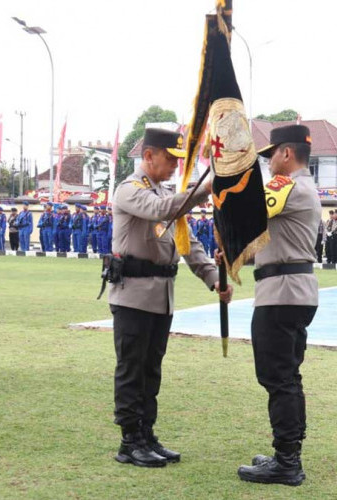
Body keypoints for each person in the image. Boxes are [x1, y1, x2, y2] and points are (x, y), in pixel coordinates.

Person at [108, 128, 230, 468]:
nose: (177, 165)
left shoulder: (165, 193)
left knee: (151, 370)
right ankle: (129, 440)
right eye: (171, 158)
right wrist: (203, 190)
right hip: (133, 295)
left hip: (161, 297)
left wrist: (211, 278)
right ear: (149, 156)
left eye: (180, 159)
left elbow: (187, 242)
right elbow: (163, 210)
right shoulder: (130, 191)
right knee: (132, 370)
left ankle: (147, 434)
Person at [236, 124, 320, 486]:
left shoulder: (287, 185)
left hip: (282, 291)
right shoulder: (302, 188)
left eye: (271, 156)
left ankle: (287, 462)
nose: (269, 164)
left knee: (278, 377)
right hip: (292, 288)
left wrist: (228, 175)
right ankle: (287, 453)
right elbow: (263, 232)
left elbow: (246, 210)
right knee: (287, 376)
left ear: (286, 153)